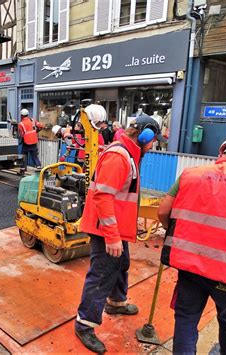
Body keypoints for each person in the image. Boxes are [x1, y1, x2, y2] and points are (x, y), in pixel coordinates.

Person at [75, 114, 162, 353]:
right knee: (102, 273)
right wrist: (112, 236)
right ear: (144, 136)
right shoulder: (119, 156)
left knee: (121, 263)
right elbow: (104, 197)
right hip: (106, 229)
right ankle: (84, 324)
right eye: (153, 140)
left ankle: (116, 303)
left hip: (114, 227)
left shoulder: (129, 154)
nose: (153, 145)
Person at [157, 135, 226, 355]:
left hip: (190, 266)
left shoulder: (189, 175)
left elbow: (163, 211)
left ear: (221, 154)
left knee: (185, 319)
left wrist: (178, 236)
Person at [18, 108, 43, 175]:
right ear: (27, 114)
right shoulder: (32, 120)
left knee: (23, 156)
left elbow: (21, 134)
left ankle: (22, 170)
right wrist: (35, 132)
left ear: (22, 116)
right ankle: (39, 167)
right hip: (34, 142)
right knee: (34, 156)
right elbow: (40, 126)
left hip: (26, 143)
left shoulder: (21, 124)